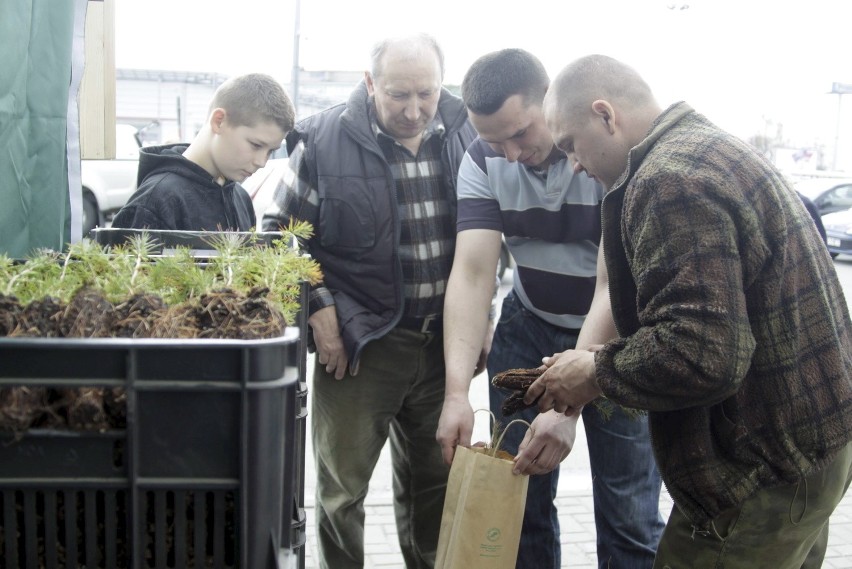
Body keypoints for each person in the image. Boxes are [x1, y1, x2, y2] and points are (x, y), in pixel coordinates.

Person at [530, 54, 852, 568]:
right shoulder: (708, 148)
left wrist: (593, 371)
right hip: (812, 448)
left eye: (570, 144)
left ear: (605, 115)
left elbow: (703, 353)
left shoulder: (667, 181)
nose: (571, 163)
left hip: (759, 470)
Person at [436, 48, 664, 569]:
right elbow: (473, 274)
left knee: (628, 512)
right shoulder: (481, 159)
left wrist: (569, 405)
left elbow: (612, 286)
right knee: (517, 504)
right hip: (528, 326)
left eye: (521, 133)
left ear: (552, 104)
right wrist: (455, 395)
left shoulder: (605, 153)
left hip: (615, 337)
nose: (511, 153)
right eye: (495, 140)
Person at [261, 34, 476, 569]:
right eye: (398, 94)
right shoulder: (324, 140)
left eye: (425, 94)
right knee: (342, 493)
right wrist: (318, 306)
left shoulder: (466, 134)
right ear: (369, 83)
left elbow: (486, 241)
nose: (413, 110)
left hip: (442, 351)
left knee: (436, 487)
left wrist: (482, 318)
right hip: (358, 349)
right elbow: (280, 240)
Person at [112, 73, 293, 231]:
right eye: (255, 145)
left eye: (270, 151)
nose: (262, 162)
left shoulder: (241, 199)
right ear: (219, 121)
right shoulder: (155, 202)